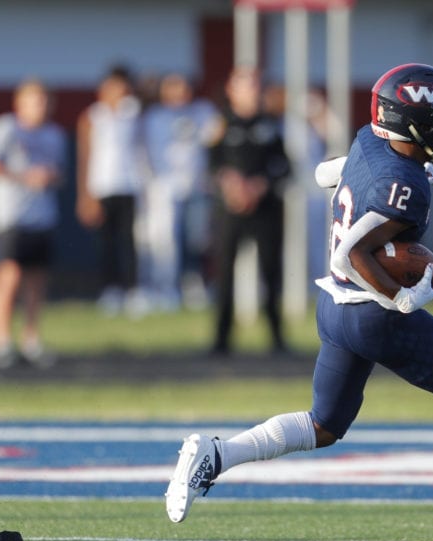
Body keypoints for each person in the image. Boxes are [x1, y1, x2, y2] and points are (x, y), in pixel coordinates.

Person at [165, 63, 433, 541]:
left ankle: (217, 456)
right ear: (414, 121)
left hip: (335, 306)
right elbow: (353, 251)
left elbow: (330, 171)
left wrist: (399, 177)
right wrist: (404, 296)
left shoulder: (372, 138)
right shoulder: (403, 188)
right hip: (372, 311)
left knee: (323, 425)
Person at [0, 79, 66, 369]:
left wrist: (48, 177)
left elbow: (59, 175)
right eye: (34, 101)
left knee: (36, 282)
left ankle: (31, 340)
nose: (41, 107)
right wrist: (25, 176)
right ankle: (1, 341)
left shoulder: (55, 135)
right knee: (9, 278)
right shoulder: (6, 128)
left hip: (42, 217)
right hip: (11, 215)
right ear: (20, 103)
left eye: (45, 101)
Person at [208, 66, 291, 355]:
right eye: (245, 85)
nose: (252, 91)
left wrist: (260, 185)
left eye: (256, 85)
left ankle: (278, 340)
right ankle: (221, 340)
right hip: (229, 212)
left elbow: (285, 167)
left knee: (270, 272)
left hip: (265, 210)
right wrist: (230, 185)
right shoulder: (220, 124)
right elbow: (210, 164)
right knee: (225, 273)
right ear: (232, 90)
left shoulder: (270, 125)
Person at [140, 72, 218, 310]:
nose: (178, 94)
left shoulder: (202, 112)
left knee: (198, 239)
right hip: (164, 188)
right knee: (165, 241)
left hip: (196, 186)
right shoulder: (154, 117)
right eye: (172, 88)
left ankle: (193, 282)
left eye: (182, 88)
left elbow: (216, 133)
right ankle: (165, 288)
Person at [77, 65, 145, 316]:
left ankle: (132, 290)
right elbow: (85, 157)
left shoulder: (134, 113)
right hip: (102, 186)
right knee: (107, 242)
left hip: (130, 184)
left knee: (130, 241)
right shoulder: (92, 117)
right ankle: (110, 289)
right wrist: (85, 195)